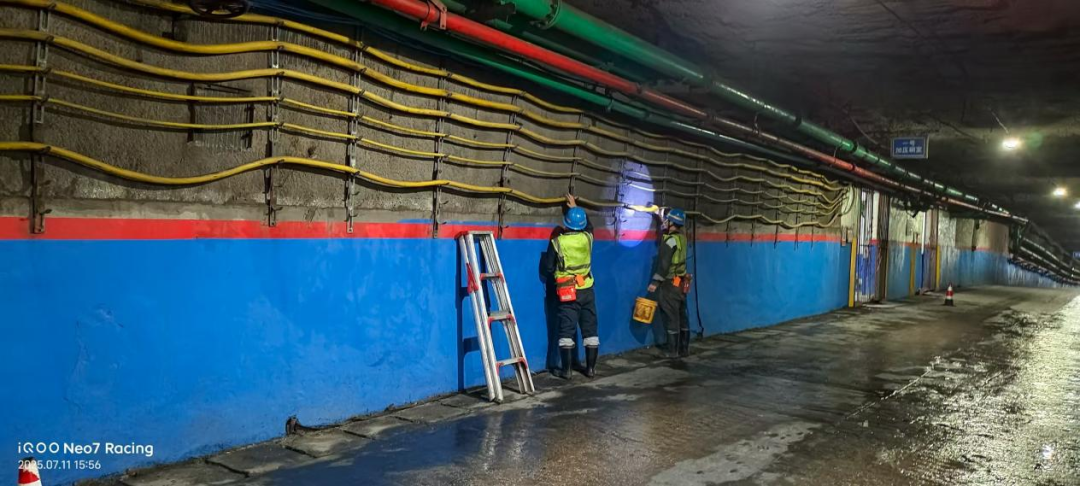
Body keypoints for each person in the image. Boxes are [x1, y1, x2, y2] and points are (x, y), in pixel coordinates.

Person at [541, 194, 599, 379]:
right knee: (590, 330)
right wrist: (574, 207)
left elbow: (548, 268)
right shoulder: (588, 238)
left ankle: (566, 371)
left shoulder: (557, 242)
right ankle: (591, 369)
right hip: (587, 289)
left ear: (566, 224)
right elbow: (589, 226)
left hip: (568, 290)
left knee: (566, 330)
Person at [647, 208, 690, 358]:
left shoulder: (669, 241)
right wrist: (659, 218)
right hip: (681, 282)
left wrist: (655, 282)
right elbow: (666, 233)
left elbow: (664, 264)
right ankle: (684, 349)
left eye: (667, 220)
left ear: (672, 223)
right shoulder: (682, 238)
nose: (665, 221)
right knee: (682, 316)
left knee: (671, 316)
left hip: (670, 284)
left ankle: (672, 351)